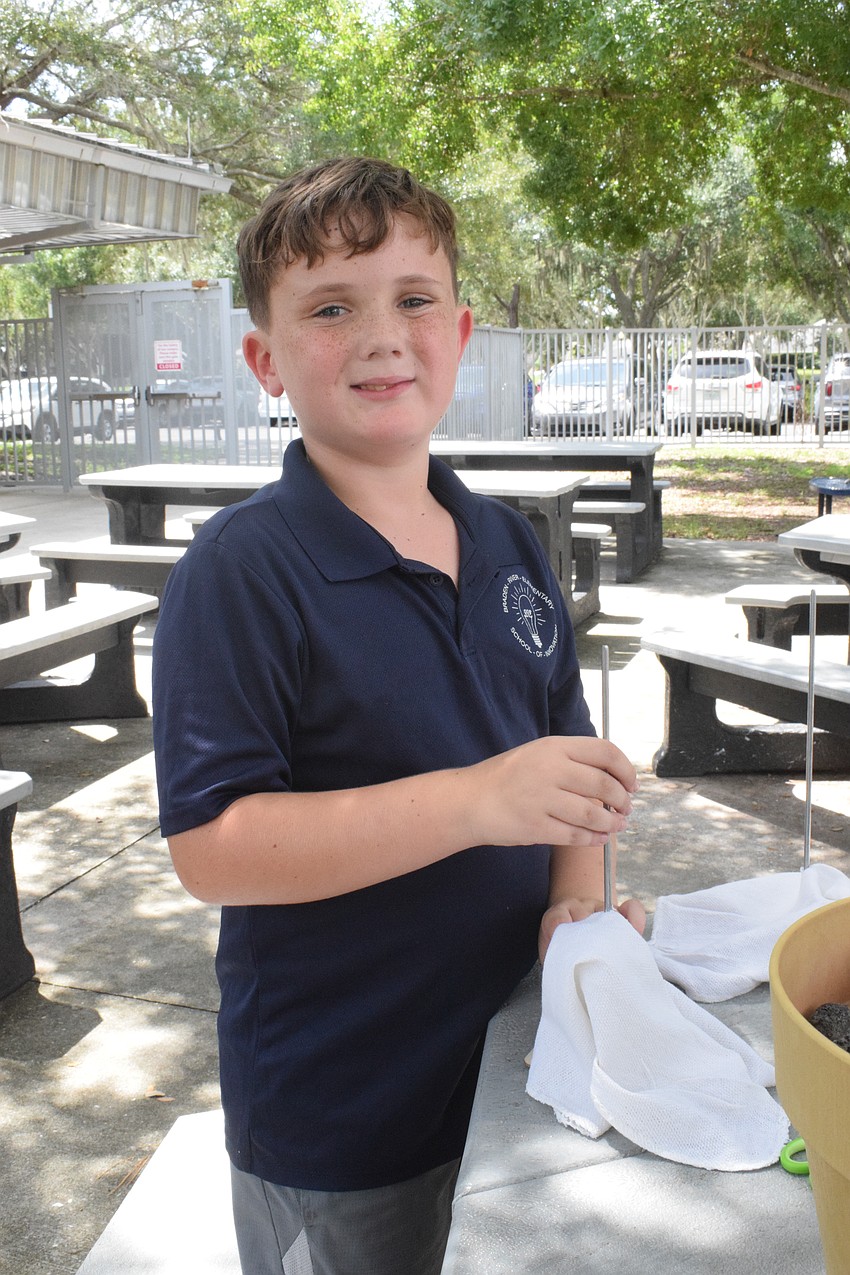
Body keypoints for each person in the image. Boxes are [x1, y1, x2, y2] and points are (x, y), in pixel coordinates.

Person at [151, 156, 645, 1275]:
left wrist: (577, 906)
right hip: (345, 1113)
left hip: (518, 1059)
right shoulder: (243, 572)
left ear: (460, 334)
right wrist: (477, 800)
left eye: (413, 300)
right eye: (332, 308)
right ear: (266, 360)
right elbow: (213, 851)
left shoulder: (510, 541)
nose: (381, 335)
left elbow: (570, 770)